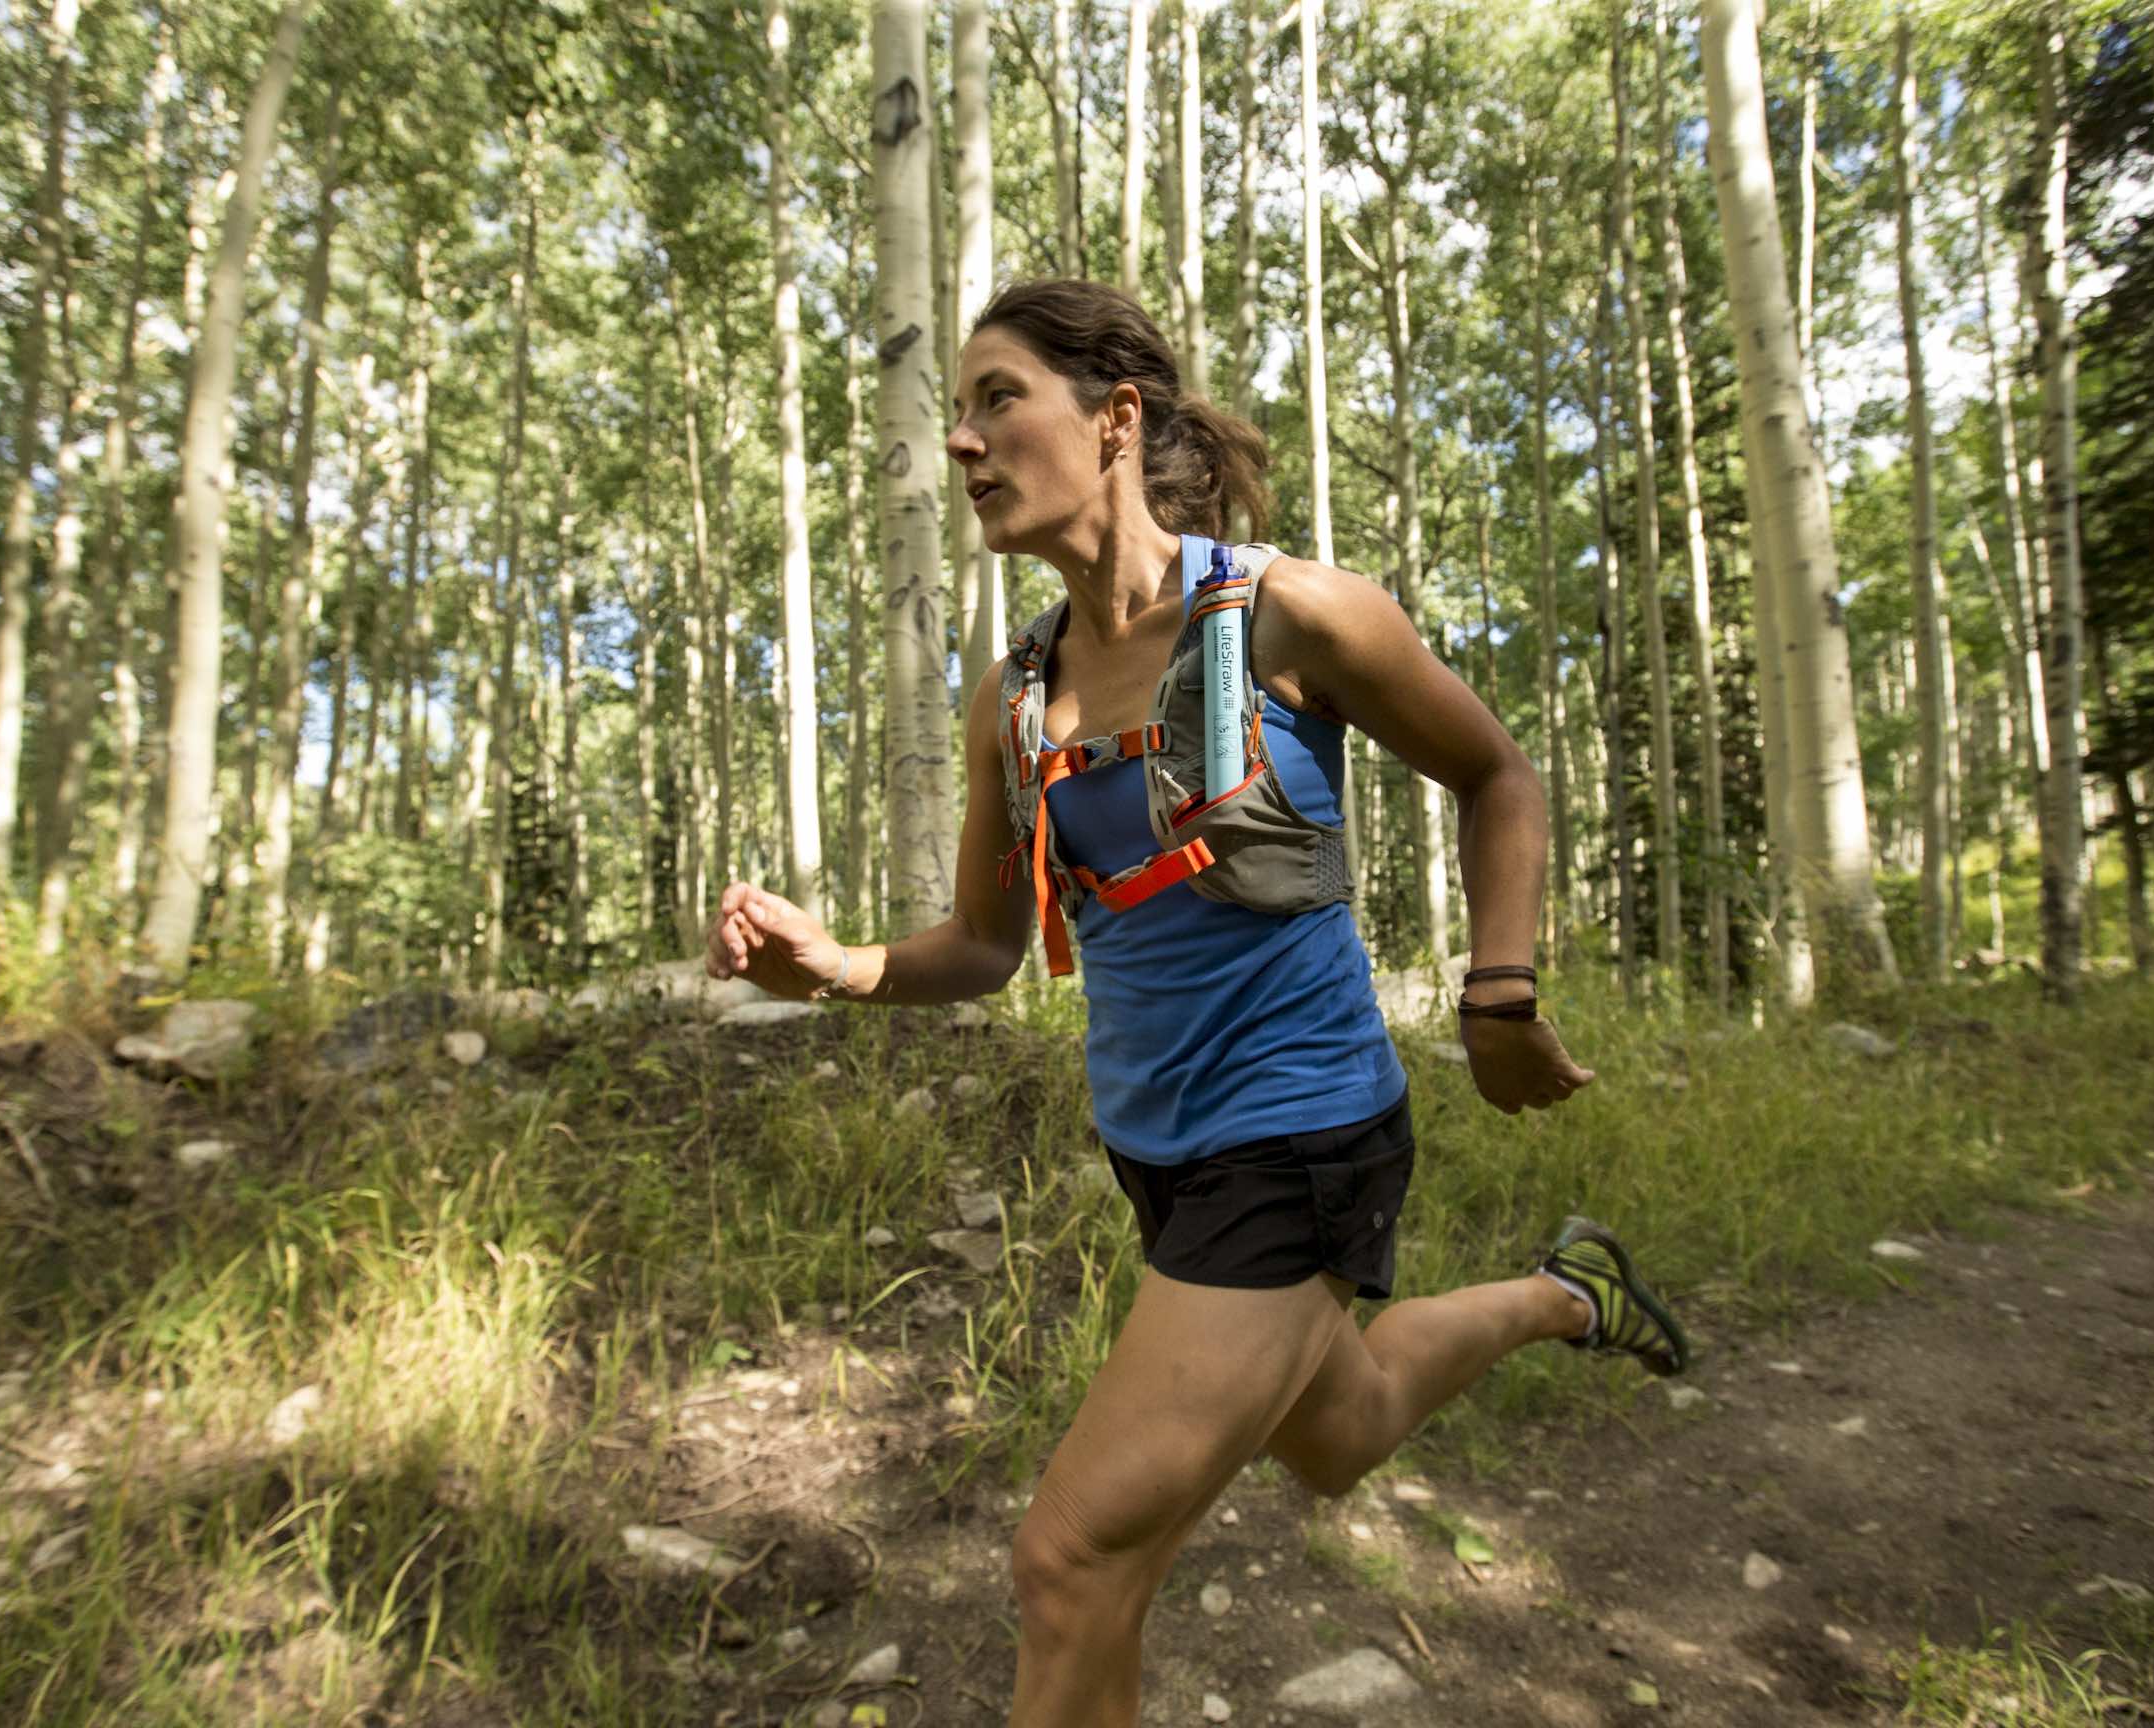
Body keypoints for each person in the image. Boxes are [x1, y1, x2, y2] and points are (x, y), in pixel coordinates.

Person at [704, 279, 1688, 1728]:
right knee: (1338, 1434)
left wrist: (1499, 988)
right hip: (1156, 1151)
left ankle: (1557, 1290)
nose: (962, 445)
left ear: (1114, 420)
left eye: (997, 400)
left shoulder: (1288, 614)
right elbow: (985, 946)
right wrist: (837, 967)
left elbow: (1499, 775)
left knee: (1070, 1561)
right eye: (955, 415)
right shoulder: (1013, 698)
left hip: (1297, 1133)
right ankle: (1570, 1292)